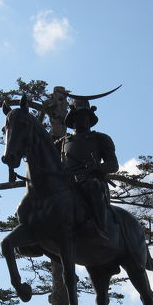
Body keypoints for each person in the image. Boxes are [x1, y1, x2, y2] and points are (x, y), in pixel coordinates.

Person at [56, 97, 119, 242]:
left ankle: (100, 229)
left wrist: (97, 168)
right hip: (66, 182)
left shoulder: (101, 139)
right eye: (79, 116)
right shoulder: (61, 142)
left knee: (93, 186)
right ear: (72, 118)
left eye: (86, 116)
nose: (83, 120)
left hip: (90, 181)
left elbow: (113, 165)